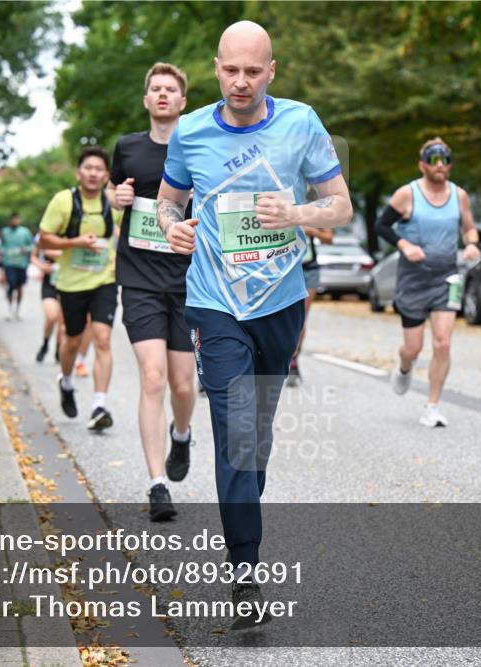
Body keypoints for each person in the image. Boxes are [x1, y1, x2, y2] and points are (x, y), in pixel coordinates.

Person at [157, 20, 352, 625]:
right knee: (236, 430)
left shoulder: (301, 122)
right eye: (230, 70)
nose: (240, 82)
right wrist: (172, 228)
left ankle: (245, 511)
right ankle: (245, 576)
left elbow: (340, 205)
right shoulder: (190, 131)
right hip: (214, 302)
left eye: (251, 71)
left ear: (271, 71)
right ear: (215, 69)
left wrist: (295, 213)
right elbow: (168, 201)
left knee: (256, 435)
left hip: (280, 301)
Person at [107, 62, 197, 522]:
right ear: (146, 100)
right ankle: (157, 483)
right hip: (139, 276)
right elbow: (112, 193)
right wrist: (117, 199)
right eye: (156, 89)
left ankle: (182, 433)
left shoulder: (197, 146)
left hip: (187, 280)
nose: (163, 94)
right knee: (154, 377)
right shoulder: (127, 148)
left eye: (170, 89)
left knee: (183, 383)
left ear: (183, 101)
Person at [376, 138, 480, 427]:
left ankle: (432, 406)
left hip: (446, 277)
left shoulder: (459, 196)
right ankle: (404, 367)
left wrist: (472, 244)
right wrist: (404, 245)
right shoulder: (407, 194)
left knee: (443, 343)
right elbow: (381, 226)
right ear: (422, 165)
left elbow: (469, 228)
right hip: (413, 279)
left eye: (445, 161)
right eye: (434, 161)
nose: (440, 166)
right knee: (413, 348)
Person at [38, 147, 123, 432]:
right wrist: (75, 243)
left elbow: (129, 230)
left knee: (102, 339)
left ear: (106, 176)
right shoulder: (64, 201)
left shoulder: (112, 204)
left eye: (99, 169)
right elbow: (44, 240)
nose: (93, 173)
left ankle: (99, 405)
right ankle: (66, 382)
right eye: (88, 168)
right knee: (72, 341)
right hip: (71, 284)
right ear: (78, 173)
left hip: (104, 280)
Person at [287, 223, 333, 386]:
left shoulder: (313, 211)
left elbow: (329, 238)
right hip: (286, 269)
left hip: (309, 270)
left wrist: (312, 231)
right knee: (285, 317)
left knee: (301, 317)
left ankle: (294, 361)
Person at [30, 232, 64, 363]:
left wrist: (51, 252)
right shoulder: (45, 233)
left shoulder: (74, 231)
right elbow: (33, 256)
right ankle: (45, 344)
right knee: (51, 316)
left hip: (68, 283)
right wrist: (41, 266)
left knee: (63, 323)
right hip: (50, 282)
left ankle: (59, 349)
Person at [0, 212, 34, 320]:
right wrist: (3, 252)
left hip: (21, 264)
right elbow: (2, 246)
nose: (15, 221)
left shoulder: (25, 232)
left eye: (17, 219)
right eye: (13, 219)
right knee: (11, 284)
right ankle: (9, 309)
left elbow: (32, 246)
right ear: (10, 220)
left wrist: (26, 249)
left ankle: (17, 310)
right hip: (9, 263)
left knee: (19, 287)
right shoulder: (5, 232)